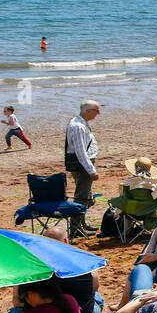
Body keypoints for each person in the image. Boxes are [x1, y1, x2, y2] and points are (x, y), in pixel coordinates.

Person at [65, 100, 101, 236]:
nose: (98, 114)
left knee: (85, 195)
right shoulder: (78, 126)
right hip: (82, 166)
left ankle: (82, 223)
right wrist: (91, 170)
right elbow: (80, 152)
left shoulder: (79, 122)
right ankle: (76, 228)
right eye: (96, 111)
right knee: (82, 196)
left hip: (83, 164)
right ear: (88, 111)